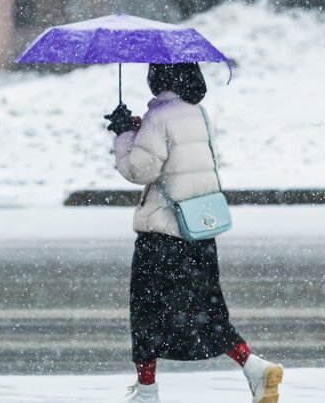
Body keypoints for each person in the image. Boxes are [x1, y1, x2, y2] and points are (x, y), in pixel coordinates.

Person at [110, 63, 283, 403]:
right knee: (209, 314)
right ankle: (255, 368)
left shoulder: (160, 118)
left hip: (162, 236)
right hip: (198, 233)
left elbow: (137, 169)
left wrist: (122, 135)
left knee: (147, 314)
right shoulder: (197, 113)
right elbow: (181, 160)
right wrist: (140, 129)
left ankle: (147, 392)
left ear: (158, 78)